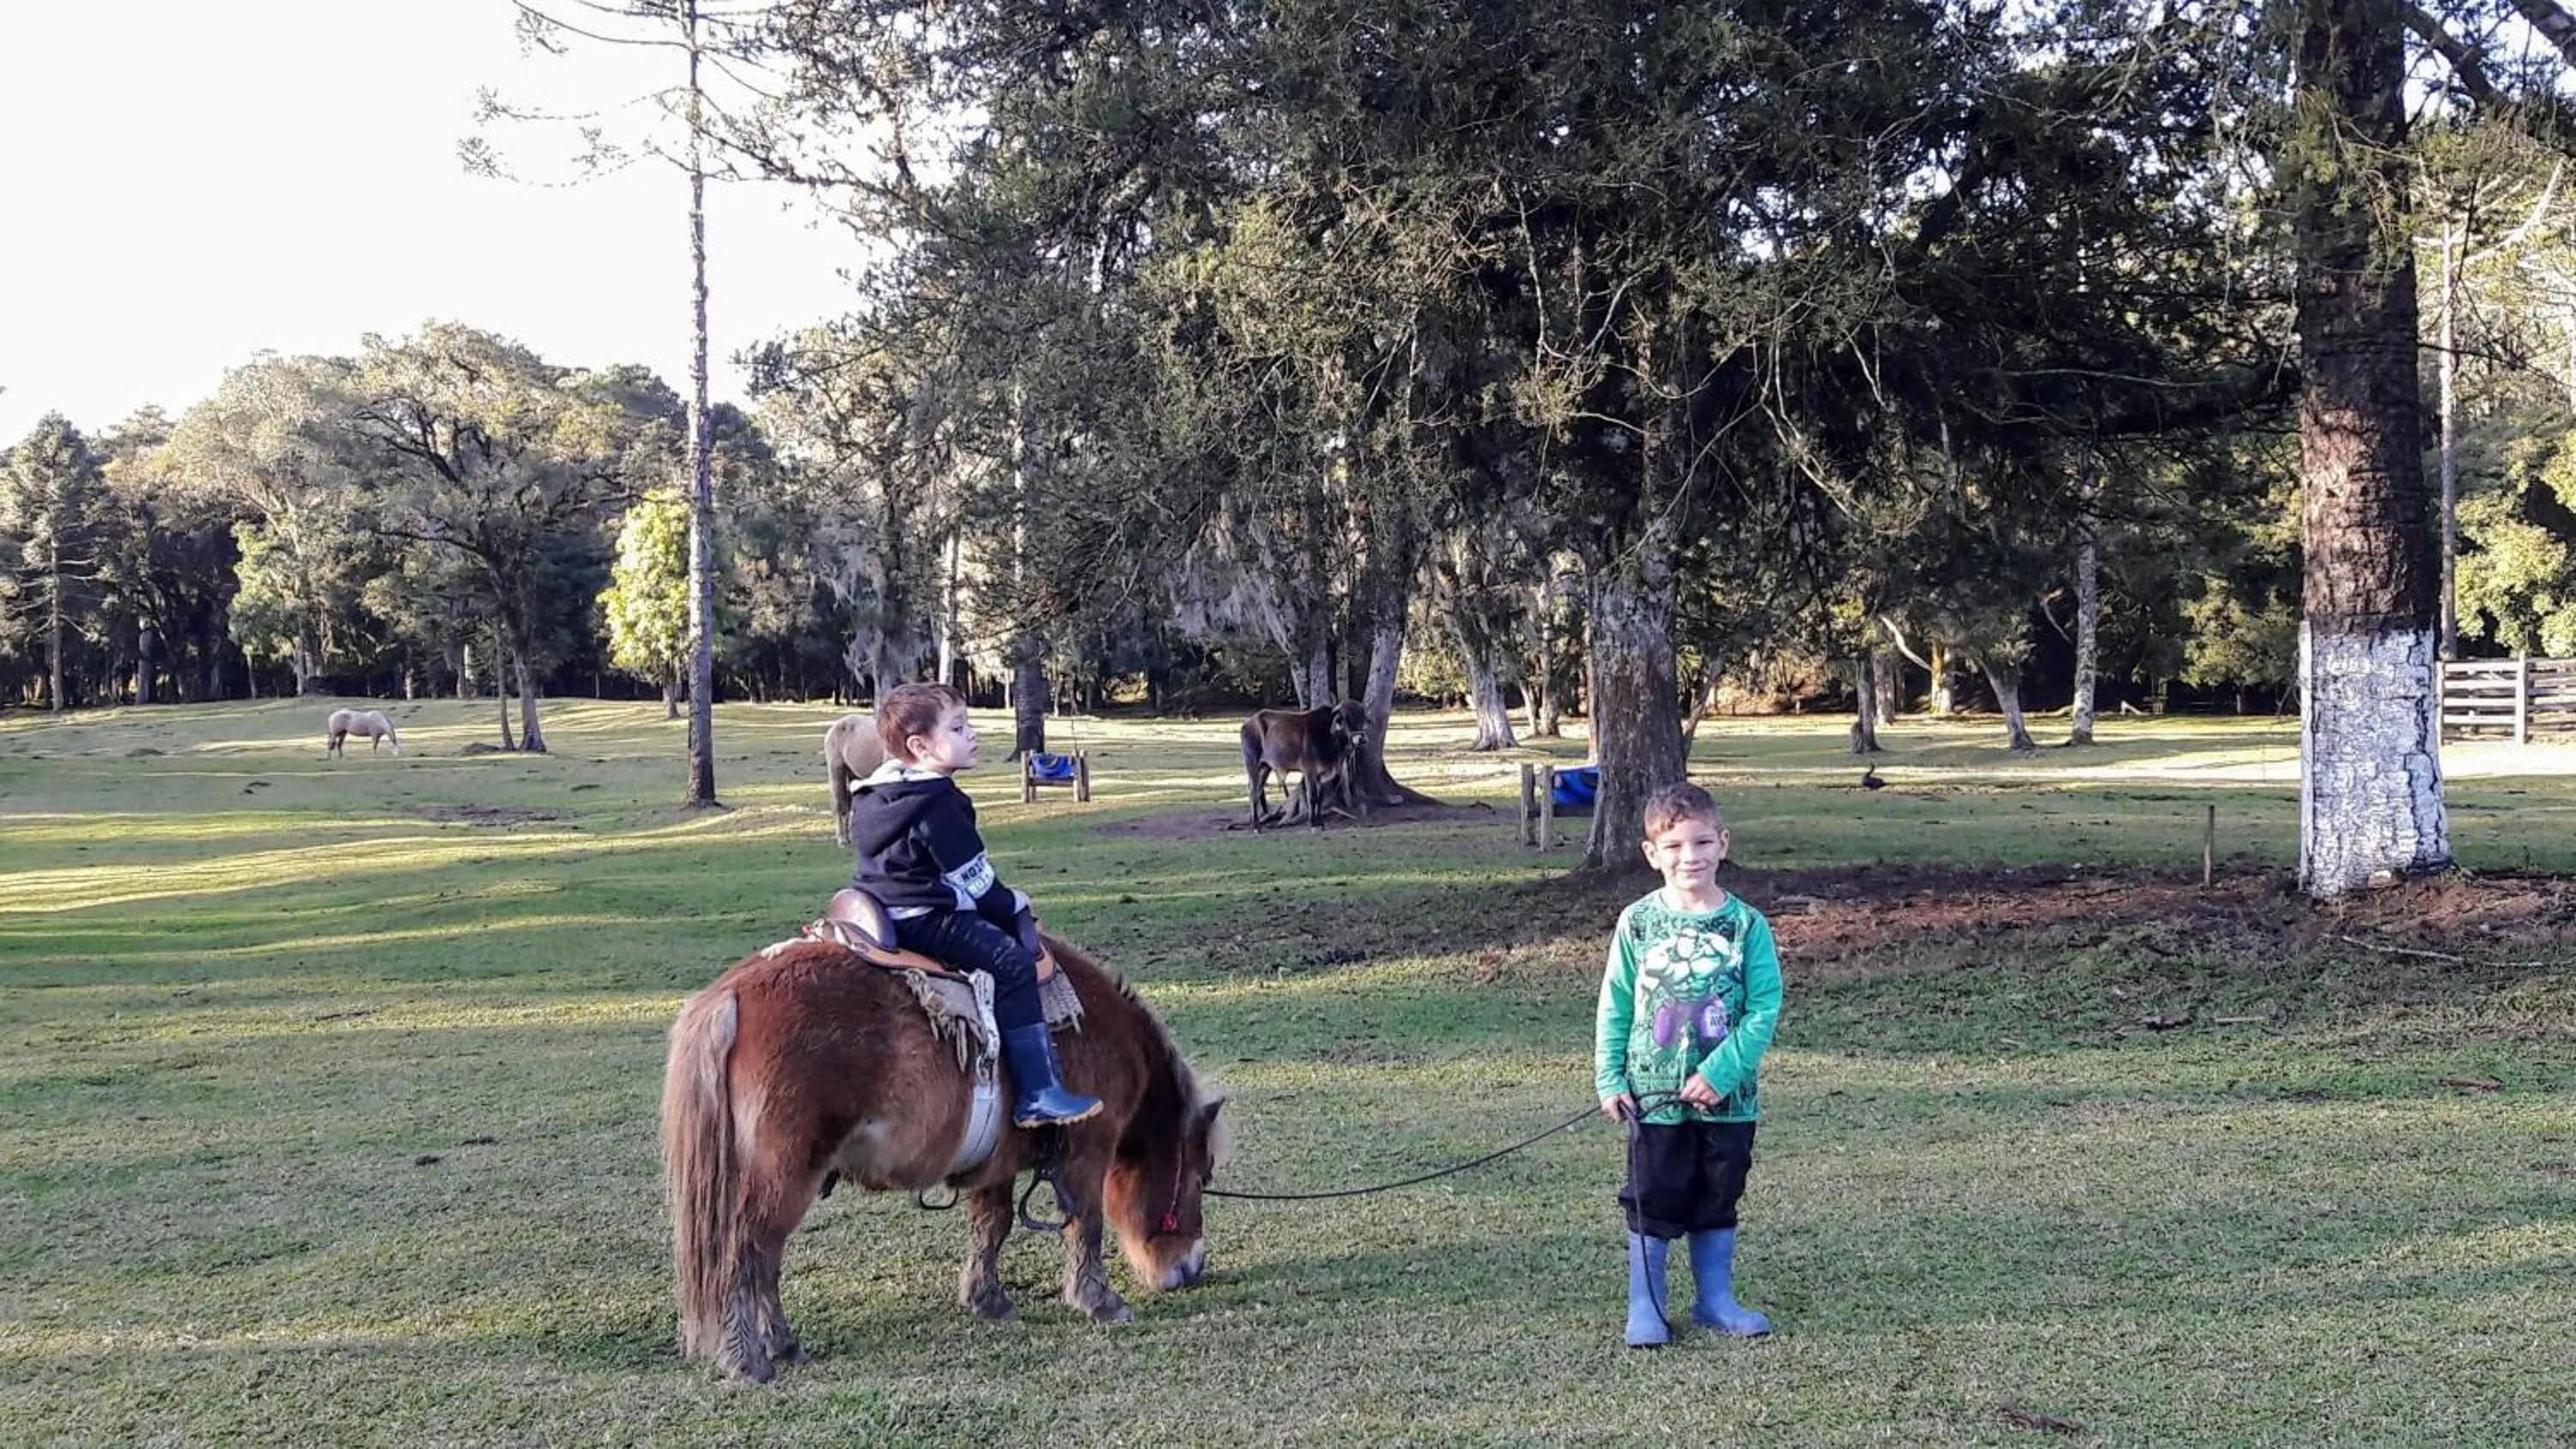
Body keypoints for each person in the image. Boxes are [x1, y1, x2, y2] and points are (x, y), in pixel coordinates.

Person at [848, 682, 1102, 1128]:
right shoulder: (940, 801)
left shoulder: (876, 795)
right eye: (960, 727)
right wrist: (1012, 904)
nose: (974, 735)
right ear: (920, 745)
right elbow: (976, 882)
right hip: (923, 916)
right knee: (1013, 964)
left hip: (877, 908)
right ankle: (1039, 1093)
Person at [1594, 782, 1783, 1347]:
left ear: (1723, 844)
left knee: (1717, 1192)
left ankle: (1715, 1301)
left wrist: (1722, 1072)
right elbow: (1616, 1002)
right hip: (1651, 1096)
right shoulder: (1637, 923)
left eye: (1702, 842)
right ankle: (1646, 1305)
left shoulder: (1747, 926)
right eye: (1673, 846)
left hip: (1728, 1100)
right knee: (1654, 1192)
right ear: (1652, 854)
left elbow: (1764, 1006)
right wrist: (1609, 1075)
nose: (1689, 856)